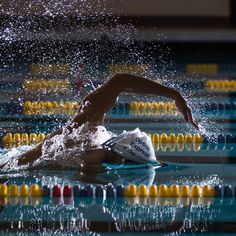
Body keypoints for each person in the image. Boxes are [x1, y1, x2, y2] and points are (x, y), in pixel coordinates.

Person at [2, 73, 198, 171]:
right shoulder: (93, 142)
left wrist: (175, 96)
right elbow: (119, 81)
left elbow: (119, 81)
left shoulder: (88, 132)